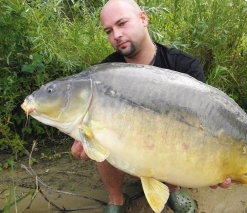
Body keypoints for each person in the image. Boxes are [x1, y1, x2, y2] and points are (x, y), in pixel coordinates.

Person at [71, 0, 231, 212]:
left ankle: (173, 188)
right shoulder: (105, 74)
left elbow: (203, 120)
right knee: (97, 130)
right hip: (125, 146)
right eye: (109, 31)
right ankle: (116, 199)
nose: (116, 35)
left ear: (143, 19)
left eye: (122, 24)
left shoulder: (184, 65)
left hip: (167, 144)